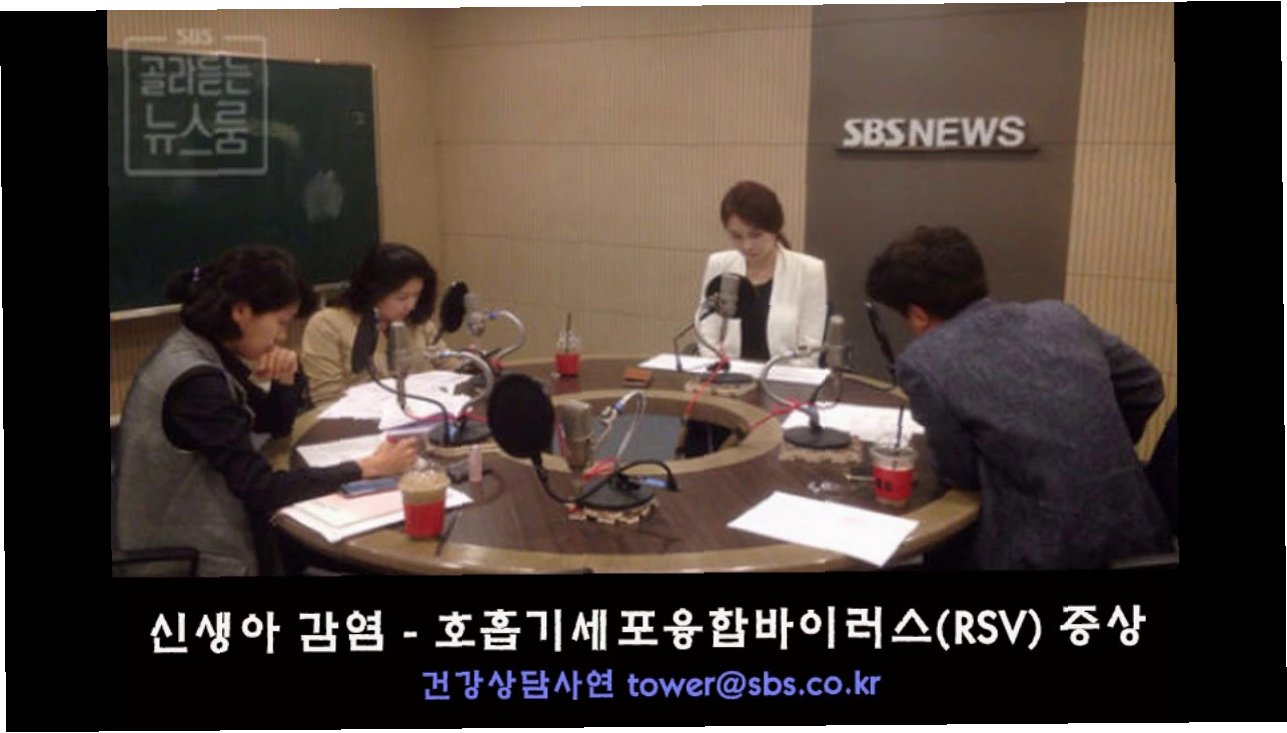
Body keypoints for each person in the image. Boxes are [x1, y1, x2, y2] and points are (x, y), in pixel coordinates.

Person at [864, 225, 1173, 570]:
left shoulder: (925, 362)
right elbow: (1146, 385)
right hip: (1141, 536)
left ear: (918, 314)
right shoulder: (1061, 317)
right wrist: (1096, 438)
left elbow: (961, 475)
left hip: (1041, 554)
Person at [114, 246, 419, 576]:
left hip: (210, 538)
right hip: (189, 561)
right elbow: (263, 489)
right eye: (281, 322)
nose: (283, 337)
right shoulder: (198, 383)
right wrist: (366, 467)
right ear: (241, 311)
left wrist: (285, 380)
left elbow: (273, 424)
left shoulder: (204, 350)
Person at [696, 181, 827, 366]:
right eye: (736, 236)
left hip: (784, 377)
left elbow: (809, 352)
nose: (747, 246)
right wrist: (721, 372)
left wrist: (775, 379)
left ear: (775, 229)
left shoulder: (809, 271)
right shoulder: (719, 264)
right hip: (729, 375)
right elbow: (707, 335)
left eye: (756, 235)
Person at [301, 243, 443, 404]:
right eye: (402, 297)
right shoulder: (327, 324)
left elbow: (450, 365)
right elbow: (327, 400)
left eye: (416, 296)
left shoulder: (417, 322)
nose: (411, 306)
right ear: (375, 291)